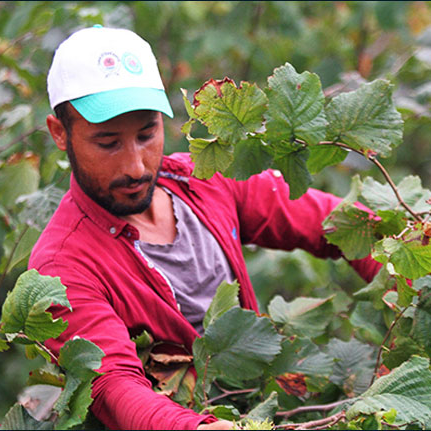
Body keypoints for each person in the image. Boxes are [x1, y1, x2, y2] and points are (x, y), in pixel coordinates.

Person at [30, 25, 382, 430]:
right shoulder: (61, 268)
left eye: (147, 135)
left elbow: (333, 222)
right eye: (108, 143)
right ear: (60, 133)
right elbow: (111, 383)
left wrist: (399, 283)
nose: (136, 166)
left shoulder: (203, 180)